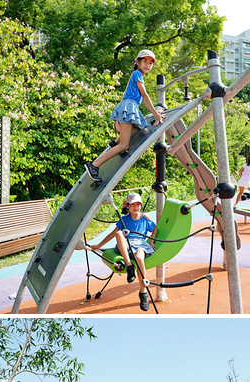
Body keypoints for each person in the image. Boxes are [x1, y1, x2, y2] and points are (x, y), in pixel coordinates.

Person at [85, 50, 164, 182]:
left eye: (150, 63)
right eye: (145, 61)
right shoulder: (137, 74)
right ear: (137, 62)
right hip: (129, 107)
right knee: (124, 146)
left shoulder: (137, 76)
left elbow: (137, 98)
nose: (147, 65)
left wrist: (155, 113)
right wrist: (156, 115)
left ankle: (115, 142)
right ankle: (94, 165)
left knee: (140, 126)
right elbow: (144, 96)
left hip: (129, 107)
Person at [89, 192, 157, 311]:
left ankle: (143, 293)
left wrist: (151, 241)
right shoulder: (124, 219)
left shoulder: (145, 218)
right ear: (127, 206)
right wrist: (99, 245)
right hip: (125, 245)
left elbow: (155, 228)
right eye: (132, 205)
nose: (135, 207)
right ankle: (129, 266)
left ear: (140, 205)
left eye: (138, 204)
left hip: (140, 244)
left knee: (140, 258)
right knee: (119, 233)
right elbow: (112, 234)